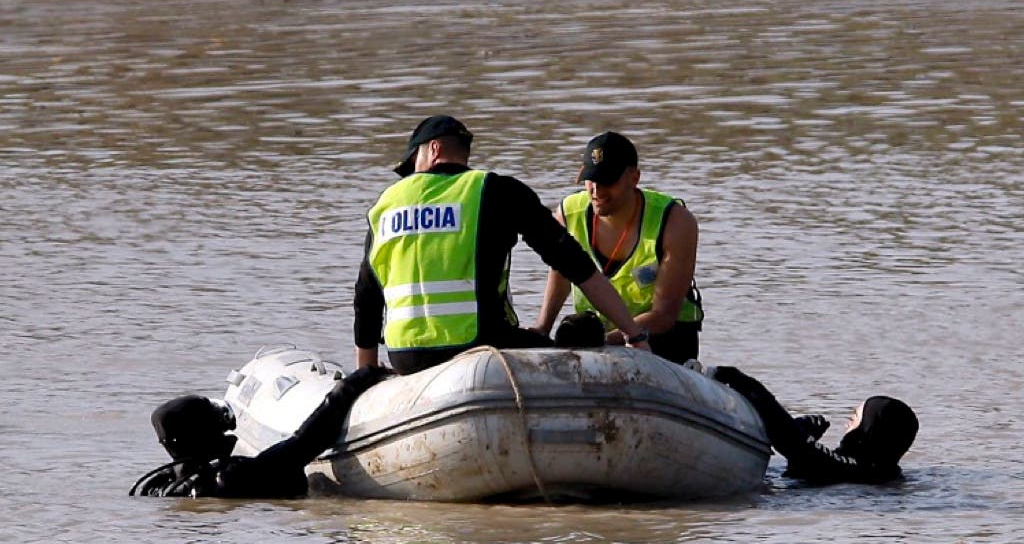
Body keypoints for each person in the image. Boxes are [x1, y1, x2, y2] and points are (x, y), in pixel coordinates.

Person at [353, 115, 651, 375]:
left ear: (433, 149)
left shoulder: (385, 206)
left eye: (411, 164)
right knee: (580, 335)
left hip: (406, 358)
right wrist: (634, 333)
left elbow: (366, 297)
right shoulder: (496, 191)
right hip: (482, 349)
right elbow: (575, 264)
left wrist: (366, 374)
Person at [533, 131, 704, 365]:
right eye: (591, 180)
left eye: (608, 181)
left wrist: (604, 341)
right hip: (596, 337)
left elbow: (664, 316)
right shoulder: (568, 214)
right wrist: (543, 329)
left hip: (662, 339)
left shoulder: (676, 222)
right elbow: (561, 274)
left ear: (634, 177)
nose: (597, 191)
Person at [130, 365, 387, 498]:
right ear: (204, 434)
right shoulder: (233, 476)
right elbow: (306, 442)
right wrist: (354, 383)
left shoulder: (155, 485)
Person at [706, 364, 919, 484]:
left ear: (869, 429)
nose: (847, 425)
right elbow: (804, 451)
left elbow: (793, 444)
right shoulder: (880, 472)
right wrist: (804, 435)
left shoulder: (859, 469)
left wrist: (740, 381)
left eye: (854, 418)